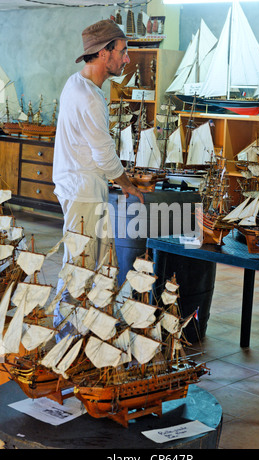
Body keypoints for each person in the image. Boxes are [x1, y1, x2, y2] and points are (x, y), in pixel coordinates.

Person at [52, 19, 144, 339]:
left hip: (80, 188)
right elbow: (104, 153)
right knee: (82, 267)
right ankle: (67, 340)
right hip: (83, 193)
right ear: (105, 54)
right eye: (123, 51)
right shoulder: (90, 97)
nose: (127, 58)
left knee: (91, 265)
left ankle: (82, 336)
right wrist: (128, 184)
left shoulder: (75, 84)